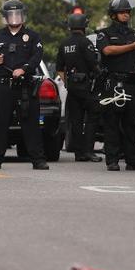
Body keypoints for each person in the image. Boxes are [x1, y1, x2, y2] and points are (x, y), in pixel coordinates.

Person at [0, 0, 48, 170]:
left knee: (31, 124)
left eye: (18, 14)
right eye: (11, 15)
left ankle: (38, 160)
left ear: (23, 16)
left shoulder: (32, 36)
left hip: (25, 86)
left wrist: (24, 69)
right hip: (3, 86)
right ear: (5, 17)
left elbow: (37, 55)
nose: (15, 18)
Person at [95, 0, 135, 171]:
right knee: (112, 123)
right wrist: (131, 47)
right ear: (114, 15)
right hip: (113, 83)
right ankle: (112, 161)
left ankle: (133, 161)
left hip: (131, 83)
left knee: (131, 124)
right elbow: (108, 51)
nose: (126, 14)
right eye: (122, 12)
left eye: (128, 11)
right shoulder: (104, 34)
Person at [56, 12, 102, 162]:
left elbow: (60, 68)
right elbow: (93, 65)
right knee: (91, 119)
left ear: (69, 26)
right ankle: (88, 151)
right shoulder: (85, 43)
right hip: (88, 88)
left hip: (73, 89)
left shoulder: (64, 44)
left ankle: (79, 153)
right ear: (84, 26)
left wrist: (68, 84)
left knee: (75, 121)